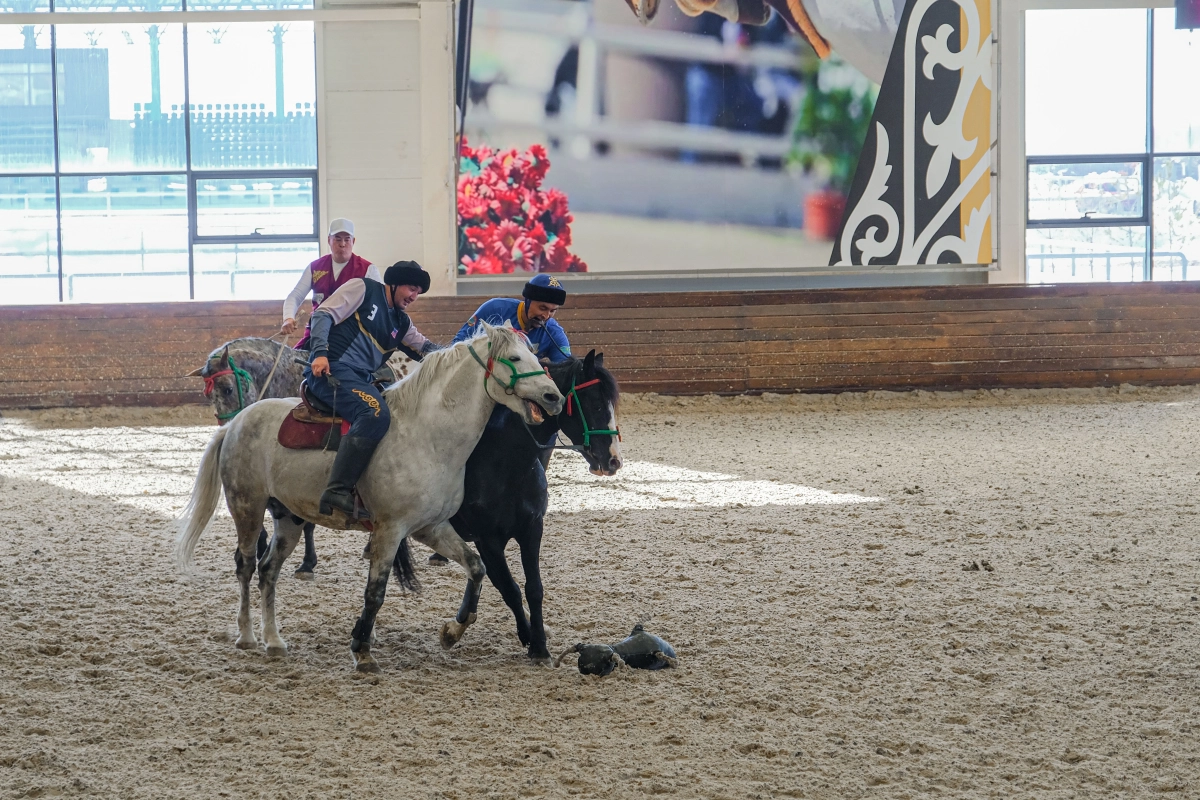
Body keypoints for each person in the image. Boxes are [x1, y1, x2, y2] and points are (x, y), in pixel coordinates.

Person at [305, 261, 438, 519]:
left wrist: (465, 354)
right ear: (395, 283)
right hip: (332, 370)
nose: (414, 296)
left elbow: (427, 348)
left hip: (362, 378)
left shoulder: (402, 322)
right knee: (375, 412)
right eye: (411, 288)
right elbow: (322, 314)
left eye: (418, 292)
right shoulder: (363, 288)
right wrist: (319, 353)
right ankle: (337, 489)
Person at [282, 218, 382, 349]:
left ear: (353, 241)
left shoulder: (368, 269)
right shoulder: (314, 267)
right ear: (329, 240)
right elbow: (295, 296)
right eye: (337, 239)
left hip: (351, 335)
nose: (342, 244)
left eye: (347, 239)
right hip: (316, 332)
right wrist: (288, 318)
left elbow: (381, 305)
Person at [453, 273, 571, 363]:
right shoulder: (495, 309)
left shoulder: (553, 332)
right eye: (542, 308)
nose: (546, 316)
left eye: (552, 311)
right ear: (528, 301)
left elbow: (566, 367)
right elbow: (458, 344)